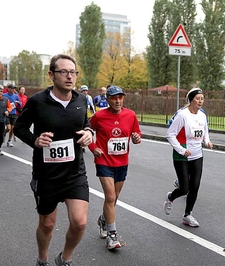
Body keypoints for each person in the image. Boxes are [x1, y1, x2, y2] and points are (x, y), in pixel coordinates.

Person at [14, 54, 94, 266]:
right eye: (64, 72)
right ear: (52, 75)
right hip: (47, 175)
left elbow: (85, 123)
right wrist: (35, 140)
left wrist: (89, 132)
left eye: (73, 72)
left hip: (75, 173)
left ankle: (64, 259)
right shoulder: (38, 101)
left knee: (80, 222)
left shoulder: (81, 100)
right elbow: (20, 127)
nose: (70, 76)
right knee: (48, 224)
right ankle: (43, 258)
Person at [88, 85, 142, 249]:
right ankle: (112, 236)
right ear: (108, 99)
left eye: (120, 97)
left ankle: (104, 219)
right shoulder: (99, 116)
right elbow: (87, 132)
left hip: (122, 162)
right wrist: (93, 147)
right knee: (110, 197)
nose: (118, 101)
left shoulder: (130, 115)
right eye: (114, 98)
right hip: (104, 161)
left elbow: (136, 134)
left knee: (114, 198)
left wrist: (136, 138)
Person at [163, 88, 213, 227]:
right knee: (184, 188)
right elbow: (170, 134)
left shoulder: (202, 115)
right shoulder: (182, 115)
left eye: (202, 99)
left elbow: (205, 132)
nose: (200, 101)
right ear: (191, 100)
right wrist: (181, 149)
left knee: (195, 187)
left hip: (197, 155)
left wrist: (206, 141)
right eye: (197, 98)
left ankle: (187, 215)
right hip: (182, 156)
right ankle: (170, 197)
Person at [0, 86, 12, 155]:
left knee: (1, 136)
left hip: (2, 120)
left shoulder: (6, 99)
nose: (0, 92)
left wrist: (8, 111)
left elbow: (10, 107)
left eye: (1, 91)